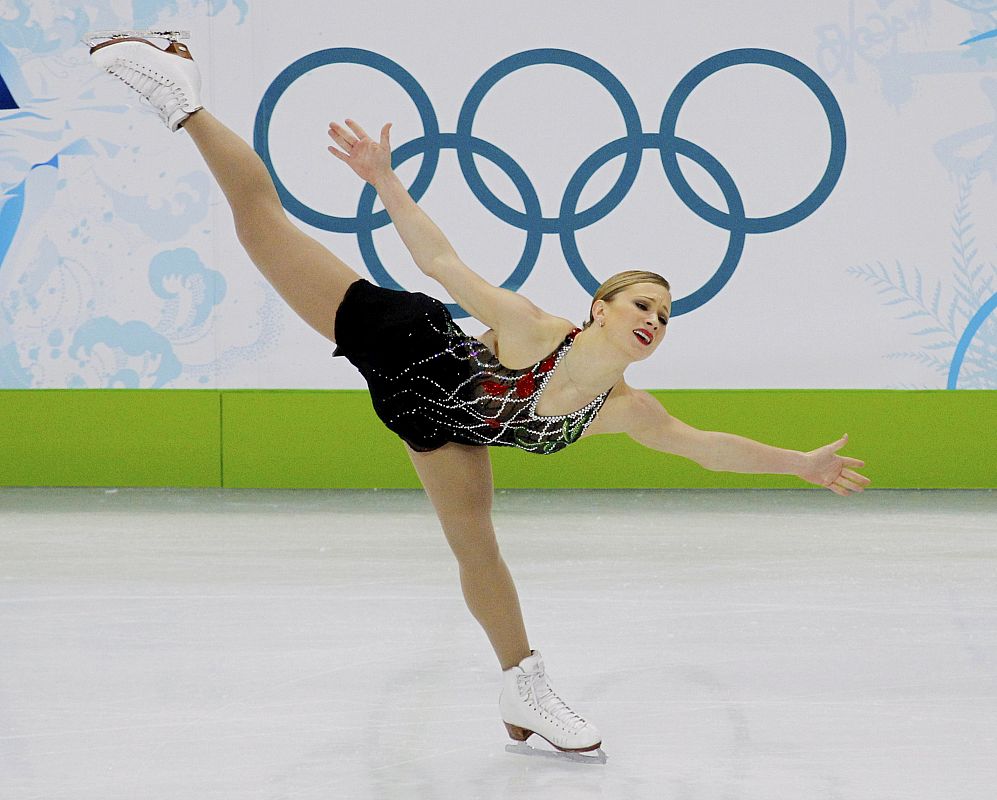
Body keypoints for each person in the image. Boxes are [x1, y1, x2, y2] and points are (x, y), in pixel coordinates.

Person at [86, 33, 870, 758]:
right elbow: (440, 260)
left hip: (432, 424)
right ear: (600, 307)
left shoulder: (625, 409)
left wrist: (797, 464)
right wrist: (383, 179)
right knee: (261, 226)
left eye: (663, 316)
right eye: (640, 305)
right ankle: (178, 89)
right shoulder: (534, 328)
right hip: (406, 342)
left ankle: (522, 688)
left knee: (476, 543)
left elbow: (707, 449)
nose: (653, 321)